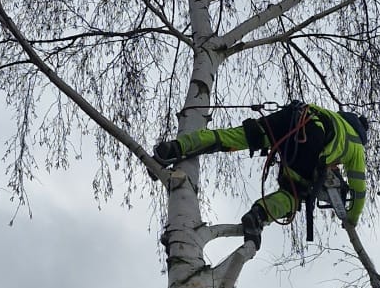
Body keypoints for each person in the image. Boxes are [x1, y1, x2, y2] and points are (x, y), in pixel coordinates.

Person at [153, 101, 368, 248]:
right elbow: (359, 190)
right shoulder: (356, 146)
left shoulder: (331, 115)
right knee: (294, 194)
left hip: (294, 117)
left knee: (236, 137)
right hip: (311, 137)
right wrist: (352, 218)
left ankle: (176, 147)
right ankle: (258, 216)